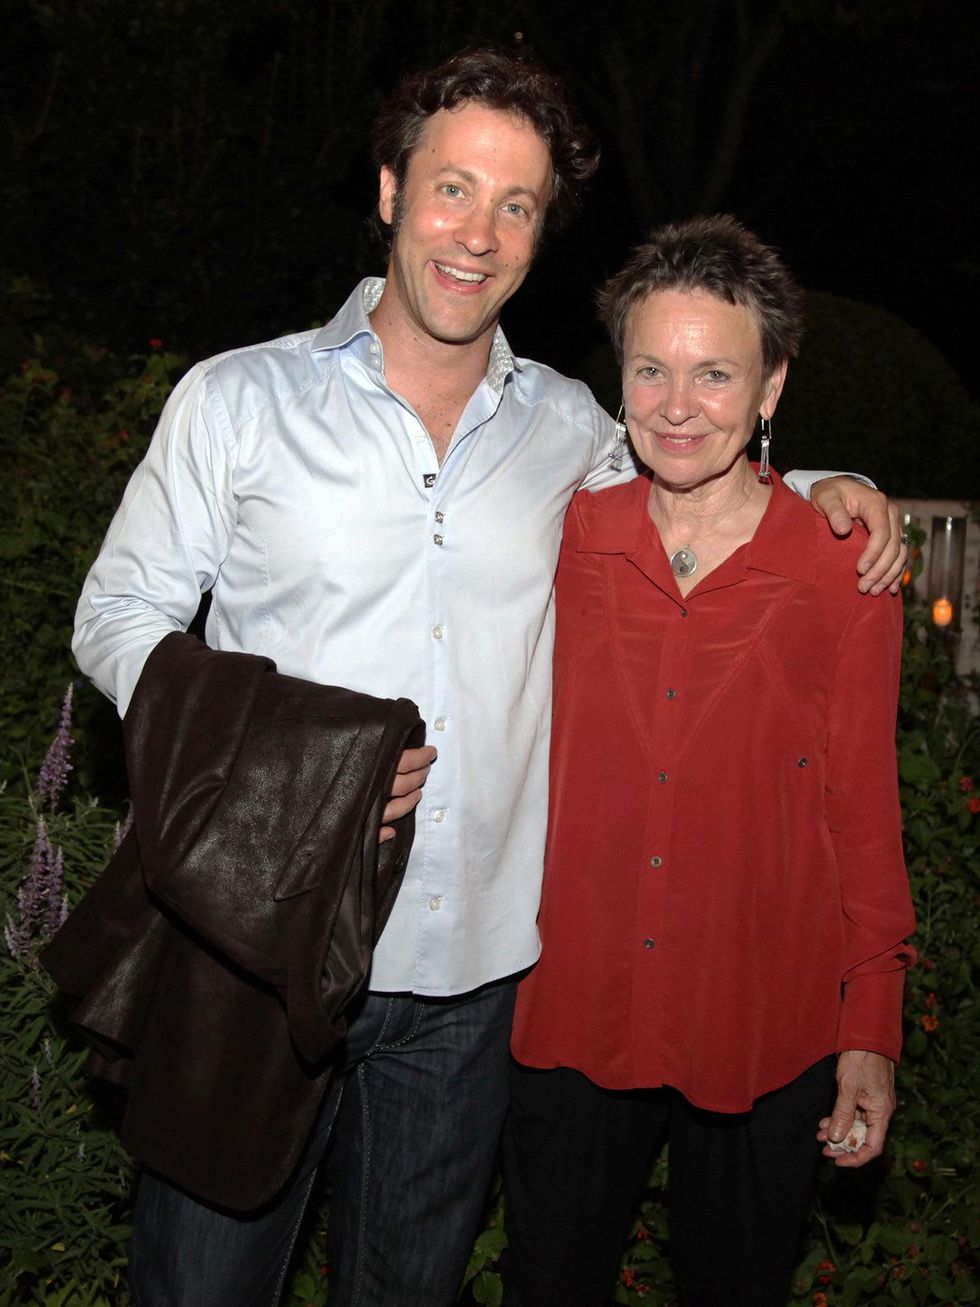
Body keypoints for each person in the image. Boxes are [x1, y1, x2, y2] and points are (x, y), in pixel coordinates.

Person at [71, 48, 905, 1307]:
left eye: (515, 205)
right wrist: (285, 748)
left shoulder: (563, 425)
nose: (477, 233)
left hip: (466, 986)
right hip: (256, 948)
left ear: (538, 234)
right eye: (453, 189)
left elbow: (692, 458)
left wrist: (826, 486)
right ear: (390, 191)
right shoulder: (237, 400)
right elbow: (116, 616)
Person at [505, 215, 917, 1307]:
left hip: (763, 1021)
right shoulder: (560, 537)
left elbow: (862, 811)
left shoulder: (840, 569)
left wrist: (869, 1028)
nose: (676, 405)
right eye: (651, 369)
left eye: (714, 373)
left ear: (770, 386)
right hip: (574, 1006)